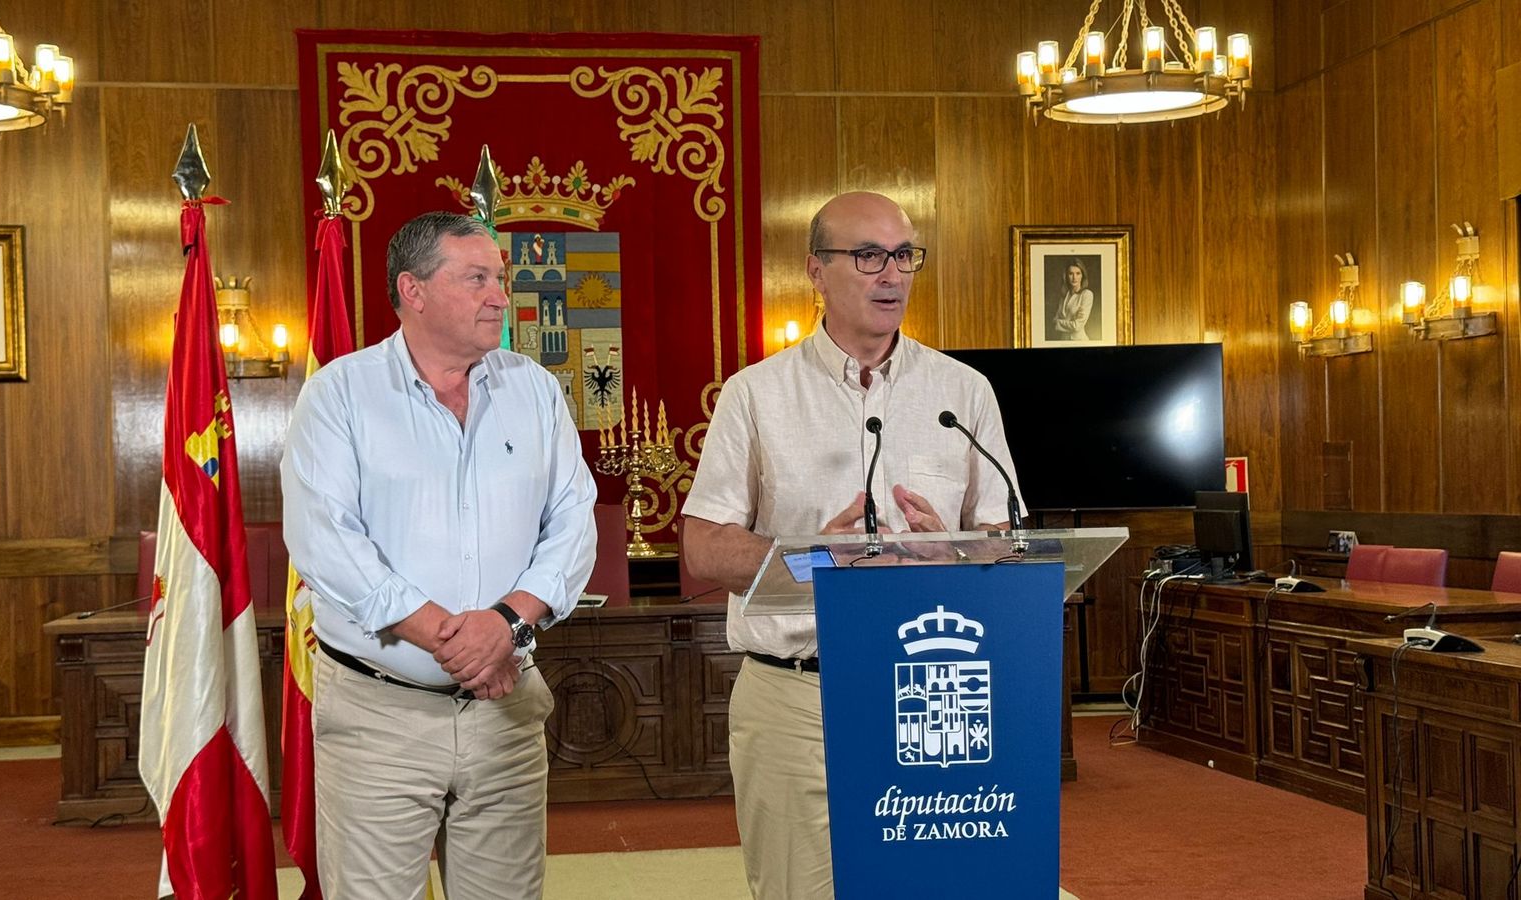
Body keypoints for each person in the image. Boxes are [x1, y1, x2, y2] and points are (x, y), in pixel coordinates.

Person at [680, 191, 1021, 900]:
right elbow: (704, 548)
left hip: (936, 687)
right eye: (868, 256)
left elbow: (1006, 543)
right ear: (815, 269)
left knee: (933, 888)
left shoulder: (966, 392)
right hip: (798, 689)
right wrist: (809, 557)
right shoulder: (756, 395)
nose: (891, 275)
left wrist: (952, 551)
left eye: (904, 256)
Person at [280, 211, 597, 900]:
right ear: (413, 291)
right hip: (379, 716)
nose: (499, 296)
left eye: (501, 279)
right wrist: (454, 641)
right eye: (477, 278)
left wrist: (505, 626)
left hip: (506, 711)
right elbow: (326, 541)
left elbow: (573, 525)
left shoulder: (534, 391)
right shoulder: (339, 394)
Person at [1050, 257, 1094, 341]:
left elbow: (1077, 326)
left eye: (1078, 273)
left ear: (1082, 276)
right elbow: (1055, 318)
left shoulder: (1087, 295)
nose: (1074, 277)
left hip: (1079, 341)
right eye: (1071, 273)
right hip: (1063, 340)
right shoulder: (1064, 295)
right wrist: (1063, 323)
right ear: (1066, 276)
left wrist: (1058, 323)